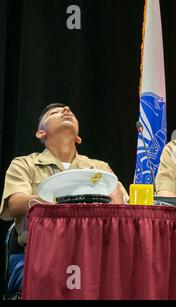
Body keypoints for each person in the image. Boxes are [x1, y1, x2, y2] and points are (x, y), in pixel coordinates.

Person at [0, 102, 128, 296]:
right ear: (41, 133)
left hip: (98, 254)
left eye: (70, 112)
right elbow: (15, 203)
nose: (67, 111)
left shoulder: (99, 168)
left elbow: (122, 208)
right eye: (55, 112)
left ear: (78, 137)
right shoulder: (25, 164)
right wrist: (69, 202)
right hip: (43, 255)